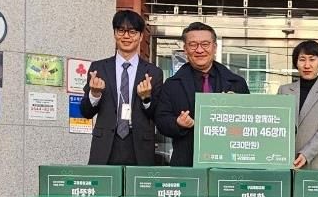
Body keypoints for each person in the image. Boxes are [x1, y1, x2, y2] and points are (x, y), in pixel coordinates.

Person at [156, 21, 249, 166]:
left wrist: (234, 108)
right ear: (185, 49)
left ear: (214, 47)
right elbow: (161, 121)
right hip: (186, 163)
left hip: (228, 161)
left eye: (205, 44)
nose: (199, 50)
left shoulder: (236, 83)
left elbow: (249, 123)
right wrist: (178, 123)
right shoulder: (172, 84)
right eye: (193, 45)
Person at [80, 9, 163, 165]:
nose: (126, 36)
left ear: (141, 36)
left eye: (132, 32)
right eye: (121, 31)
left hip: (139, 145)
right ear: (114, 34)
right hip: (105, 144)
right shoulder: (99, 68)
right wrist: (95, 94)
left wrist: (146, 98)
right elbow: (86, 112)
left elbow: (158, 115)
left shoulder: (153, 72)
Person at [278, 40, 318, 169]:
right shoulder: (284, 90)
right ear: (296, 63)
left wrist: (306, 154)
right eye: (302, 59)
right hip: (284, 160)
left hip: (316, 162)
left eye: (312, 59)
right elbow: (276, 123)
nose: (307, 65)